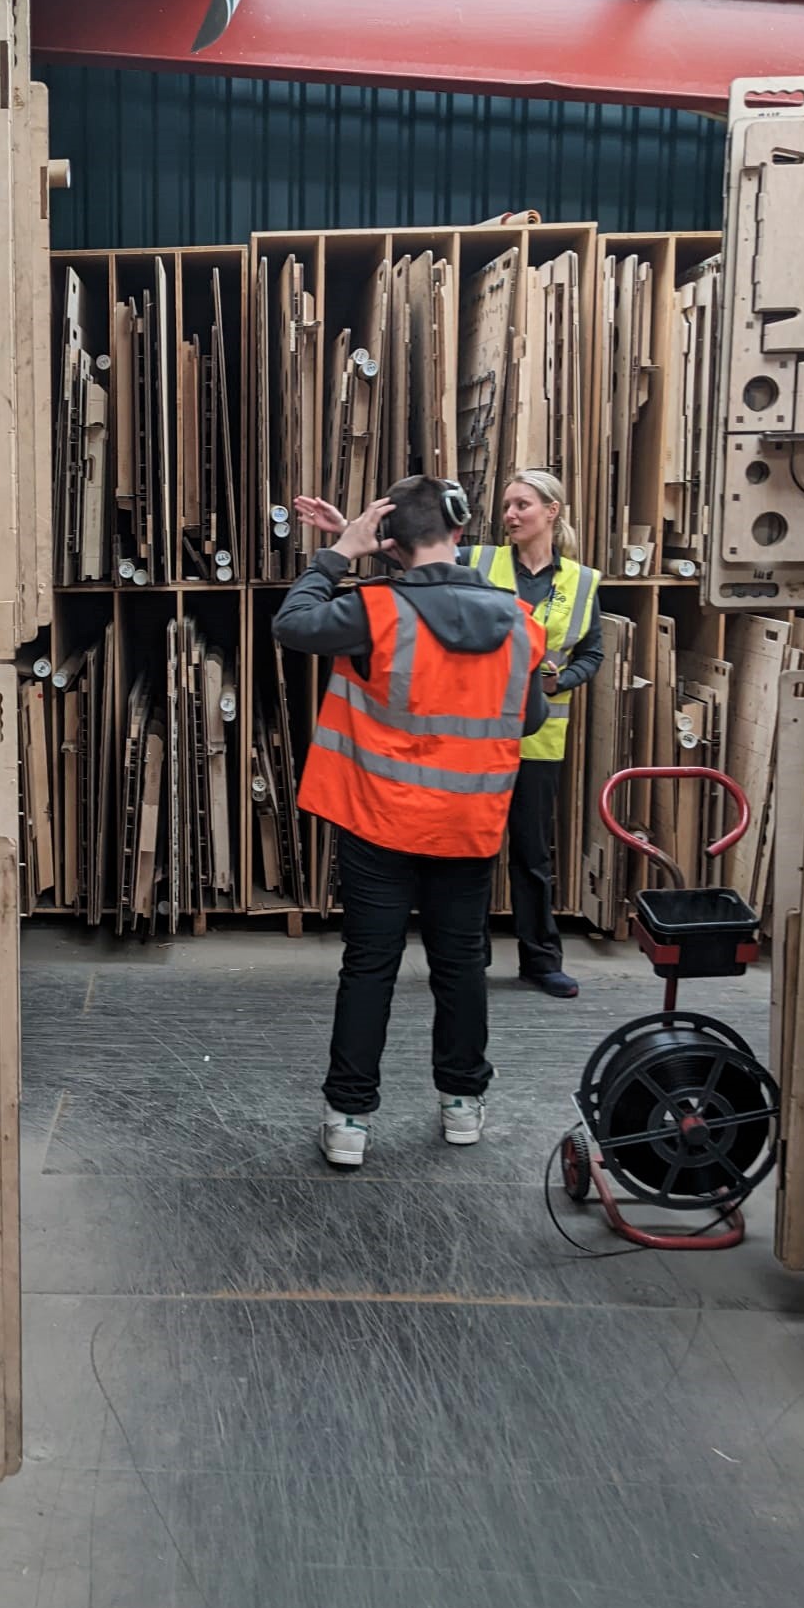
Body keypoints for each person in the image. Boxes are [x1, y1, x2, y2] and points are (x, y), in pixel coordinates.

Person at [274, 477, 547, 1169]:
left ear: (389, 538)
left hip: (380, 822)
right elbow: (529, 718)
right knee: (462, 965)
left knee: (370, 966)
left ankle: (349, 1121)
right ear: (460, 530)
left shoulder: (373, 612)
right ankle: (462, 1103)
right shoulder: (519, 620)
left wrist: (341, 551)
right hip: (469, 824)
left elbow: (293, 622)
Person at [465, 469, 602, 1000]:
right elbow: (419, 564)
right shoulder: (479, 562)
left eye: (522, 504)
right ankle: (467, 960)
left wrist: (559, 681)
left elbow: (591, 653)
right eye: (506, 506)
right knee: (473, 853)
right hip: (478, 736)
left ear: (552, 511)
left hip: (540, 739)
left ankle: (541, 962)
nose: (510, 514)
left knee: (531, 857)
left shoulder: (582, 582)